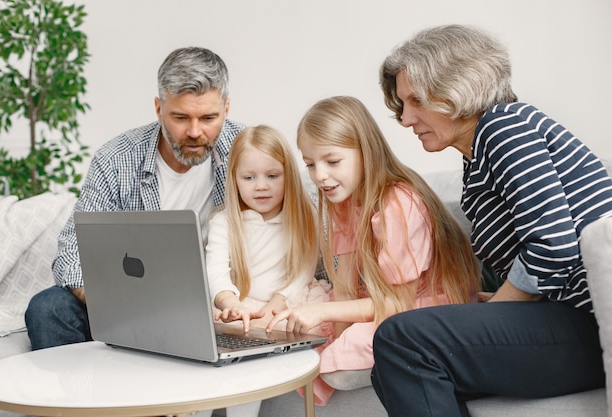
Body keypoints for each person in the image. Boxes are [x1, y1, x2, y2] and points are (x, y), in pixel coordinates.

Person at [372, 24, 612, 417]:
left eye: (416, 101)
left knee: (403, 340)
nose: (405, 118)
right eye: (402, 104)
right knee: (390, 368)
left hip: (592, 322)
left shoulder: (505, 127)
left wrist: (494, 310)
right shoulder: (480, 153)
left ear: (458, 87)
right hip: (570, 319)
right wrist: (494, 307)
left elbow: (553, 246)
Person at [25, 46, 244, 351]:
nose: (195, 132)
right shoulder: (117, 158)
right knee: (47, 309)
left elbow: (300, 213)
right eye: (180, 117)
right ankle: (85, 398)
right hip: (135, 298)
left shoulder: (248, 150)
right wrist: (112, 300)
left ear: (227, 108)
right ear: (158, 108)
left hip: (220, 295)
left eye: (209, 117)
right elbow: (72, 249)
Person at [267, 95, 481, 405]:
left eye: (332, 161)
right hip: (380, 300)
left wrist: (325, 319)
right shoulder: (344, 201)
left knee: (348, 339)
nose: (319, 176)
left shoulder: (397, 204)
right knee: (306, 332)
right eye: (310, 164)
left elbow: (397, 306)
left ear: (365, 153)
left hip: (422, 309)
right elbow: (342, 288)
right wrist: (329, 334)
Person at [205, 125, 329, 333]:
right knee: (223, 330)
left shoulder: (306, 217)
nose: (261, 186)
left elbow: (303, 273)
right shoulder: (223, 222)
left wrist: (274, 308)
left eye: (272, 176)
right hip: (242, 304)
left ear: (288, 175)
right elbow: (215, 273)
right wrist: (231, 303)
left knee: (299, 328)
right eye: (249, 178)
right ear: (235, 180)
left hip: (289, 301)